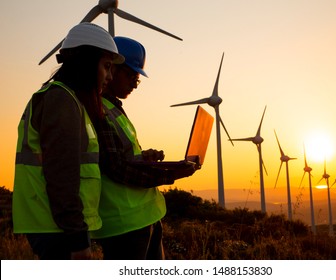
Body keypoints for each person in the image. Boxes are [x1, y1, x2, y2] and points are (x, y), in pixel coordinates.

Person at [12, 22, 124, 260]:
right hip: (57, 229)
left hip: (56, 226)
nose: (110, 76)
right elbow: (62, 175)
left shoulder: (66, 99)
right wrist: (77, 238)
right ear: (86, 62)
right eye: (106, 66)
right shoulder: (60, 100)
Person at [91, 36, 199, 260]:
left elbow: (124, 156)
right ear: (111, 68)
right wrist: (170, 175)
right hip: (124, 225)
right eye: (131, 75)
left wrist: (144, 157)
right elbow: (116, 168)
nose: (134, 83)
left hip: (145, 219)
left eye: (137, 79)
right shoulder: (98, 110)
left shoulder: (114, 109)